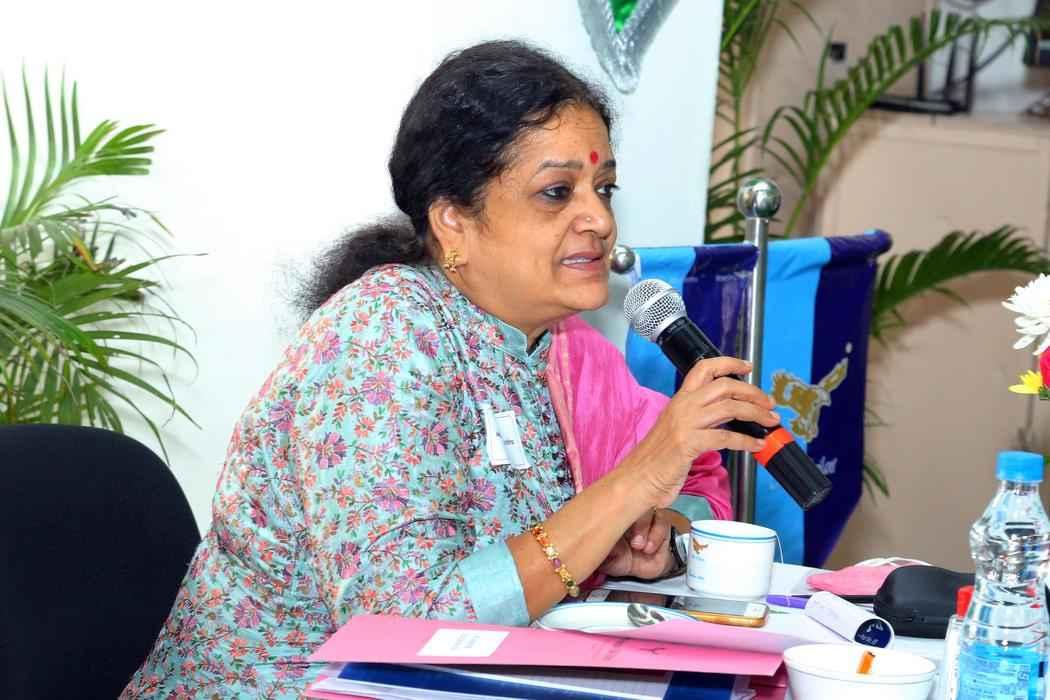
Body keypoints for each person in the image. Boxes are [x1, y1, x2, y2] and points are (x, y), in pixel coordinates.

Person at [121, 39, 780, 699]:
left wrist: (637, 538)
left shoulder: (541, 348)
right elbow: (402, 625)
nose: (600, 220)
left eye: (603, 188)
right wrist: (637, 479)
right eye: (557, 192)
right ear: (453, 222)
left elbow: (520, 563)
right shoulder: (379, 334)